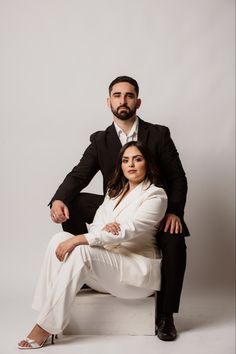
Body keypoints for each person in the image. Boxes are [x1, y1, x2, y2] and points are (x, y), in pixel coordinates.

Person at [50, 75, 189, 341]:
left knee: (175, 237)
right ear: (108, 101)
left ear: (138, 101)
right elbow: (80, 174)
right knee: (73, 201)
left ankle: (165, 316)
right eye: (117, 95)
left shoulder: (158, 134)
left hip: (151, 209)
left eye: (128, 95)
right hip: (114, 208)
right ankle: (88, 274)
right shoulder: (100, 140)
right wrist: (58, 199)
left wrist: (174, 212)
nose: (122, 100)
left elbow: (177, 178)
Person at [18, 141, 167, 349]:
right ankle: (45, 312)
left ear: (147, 163)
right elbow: (98, 225)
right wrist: (107, 229)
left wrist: (83, 238)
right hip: (107, 271)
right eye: (126, 160)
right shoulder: (114, 193)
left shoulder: (156, 196)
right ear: (121, 166)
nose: (131, 165)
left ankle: (45, 326)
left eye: (137, 159)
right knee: (57, 241)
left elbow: (129, 230)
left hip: (135, 278)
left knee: (80, 251)